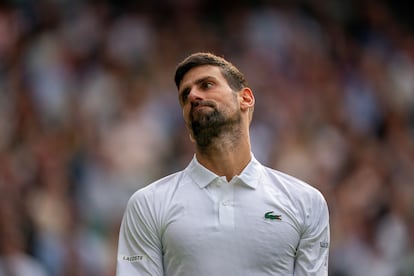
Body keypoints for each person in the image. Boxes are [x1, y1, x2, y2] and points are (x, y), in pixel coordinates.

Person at [116, 52, 330, 275]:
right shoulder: (148, 205)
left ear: (245, 99)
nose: (193, 96)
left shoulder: (307, 203)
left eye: (206, 85)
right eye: (185, 95)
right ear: (188, 127)